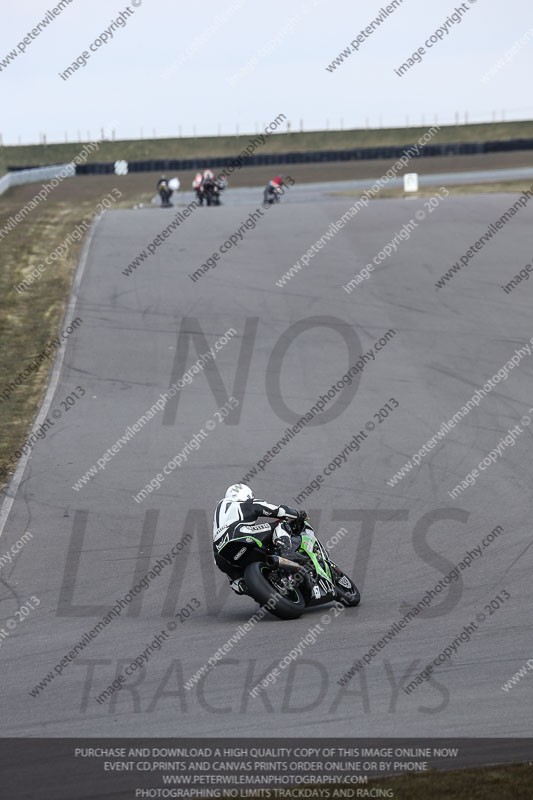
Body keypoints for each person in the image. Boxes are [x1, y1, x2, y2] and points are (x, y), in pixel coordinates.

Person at [212, 483, 307, 595]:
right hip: (238, 535)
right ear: (247, 495)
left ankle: (240, 583)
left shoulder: (221, 510)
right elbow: (277, 511)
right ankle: (286, 551)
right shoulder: (245, 503)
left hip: (219, 552)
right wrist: (297, 514)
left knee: (236, 580)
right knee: (280, 524)